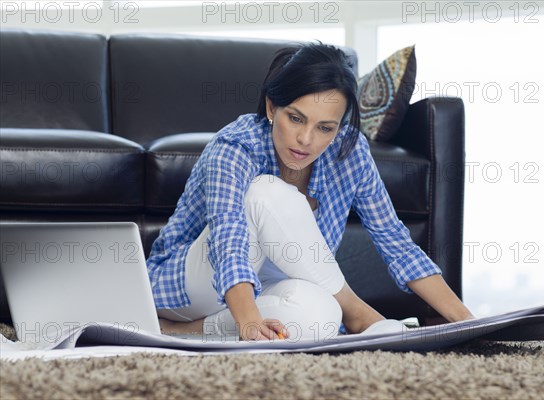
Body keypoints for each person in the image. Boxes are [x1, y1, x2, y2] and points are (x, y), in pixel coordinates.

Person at [147, 40, 475, 342]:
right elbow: (227, 241)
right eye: (295, 118)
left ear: (340, 125)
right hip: (188, 282)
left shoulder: (350, 151)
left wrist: (465, 321)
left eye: (324, 128)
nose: (306, 139)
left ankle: (178, 333)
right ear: (273, 107)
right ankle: (356, 312)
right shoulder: (236, 145)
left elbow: (396, 243)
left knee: (319, 319)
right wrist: (247, 320)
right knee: (267, 192)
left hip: (264, 286)